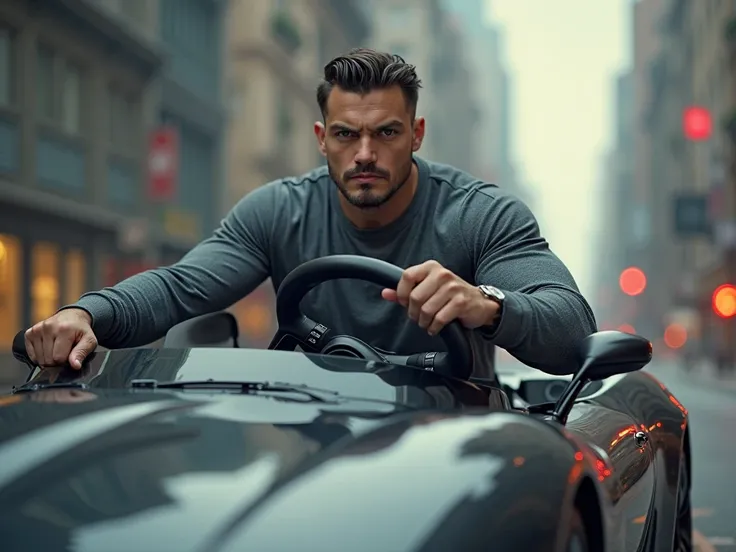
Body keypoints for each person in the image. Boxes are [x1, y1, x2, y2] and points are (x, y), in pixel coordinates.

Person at [24, 48, 597, 376]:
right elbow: (178, 288)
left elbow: (572, 329)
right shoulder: (277, 210)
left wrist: (487, 305)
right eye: (347, 135)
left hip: (446, 439)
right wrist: (86, 315)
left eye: (387, 133)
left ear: (417, 134)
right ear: (322, 138)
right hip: (304, 435)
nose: (365, 154)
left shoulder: (481, 214)